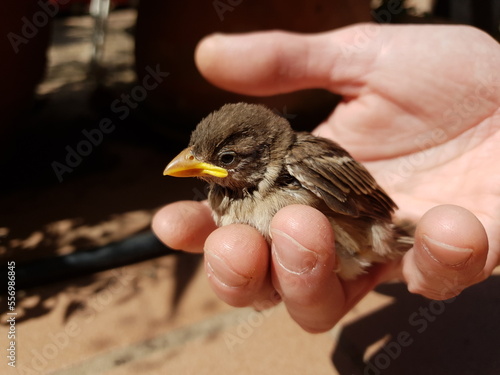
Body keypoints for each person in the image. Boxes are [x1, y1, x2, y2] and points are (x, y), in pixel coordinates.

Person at [152, 23, 500, 333]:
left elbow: (377, 208)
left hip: (369, 236)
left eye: (227, 159)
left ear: (263, 154)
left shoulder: (303, 160)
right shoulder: (223, 195)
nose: (196, 167)